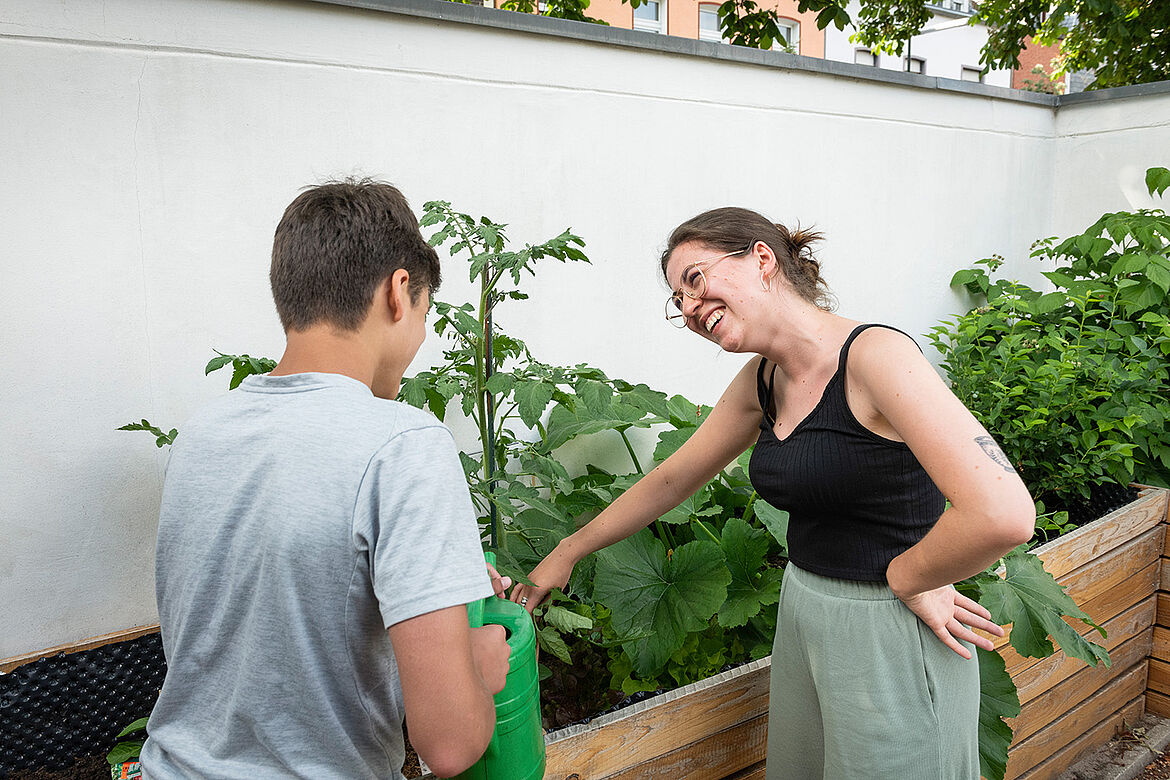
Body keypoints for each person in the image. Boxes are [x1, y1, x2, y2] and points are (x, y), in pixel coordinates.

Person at [509, 207, 1036, 779]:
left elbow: (1003, 513)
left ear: (761, 259)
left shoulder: (876, 356)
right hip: (805, 611)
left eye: (695, 279)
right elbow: (671, 480)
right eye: (677, 301)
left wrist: (910, 577)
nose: (688, 308)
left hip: (890, 631)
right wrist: (566, 553)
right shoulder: (763, 380)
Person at [140, 179, 511, 780]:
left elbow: (284, 614)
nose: (421, 336)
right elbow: (449, 745)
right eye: (425, 312)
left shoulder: (202, 434)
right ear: (398, 292)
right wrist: (476, 661)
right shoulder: (404, 446)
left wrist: (434, 591)